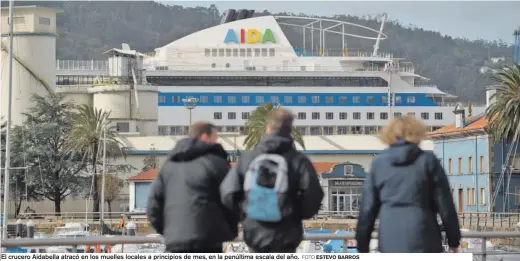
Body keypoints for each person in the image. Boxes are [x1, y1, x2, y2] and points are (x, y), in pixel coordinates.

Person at [220, 108, 324, 253]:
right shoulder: (298, 160)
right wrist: (297, 214)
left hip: (255, 233)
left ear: (268, 127)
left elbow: (227, 193)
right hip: (287, 234)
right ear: (290, 129)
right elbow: (314, 194)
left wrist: (246, 214)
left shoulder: (248, 158)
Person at [355, 115, 461, 253]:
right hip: (424, 234)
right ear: (418, 134)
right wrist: (454, 240)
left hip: (389, 235)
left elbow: (367, 211)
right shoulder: (428, 161)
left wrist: (362, 247)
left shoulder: (378, 164)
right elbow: (446, 206)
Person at [147, 121, 238, 253]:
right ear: (205, 137)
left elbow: (153, 206)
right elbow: (232, 198)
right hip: (209, 240)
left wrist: (168, 231)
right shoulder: (216, 162)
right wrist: (229, 230)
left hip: (174, 243)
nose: (217, 141)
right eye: (215, 137)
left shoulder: (169, 166)